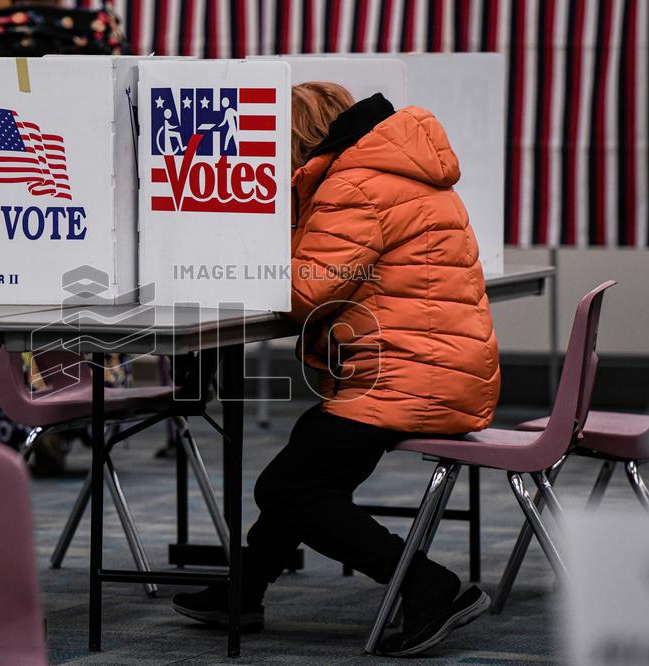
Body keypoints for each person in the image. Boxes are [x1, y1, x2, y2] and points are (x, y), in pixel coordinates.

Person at [172, 82, 500, 657]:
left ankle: (429, 587)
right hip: (440, 367)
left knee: (288, 487)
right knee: (308, 462)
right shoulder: (397, 169)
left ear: (298, 136)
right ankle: (243, 591)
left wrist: (238, 259)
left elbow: (307, 291)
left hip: (411, 374)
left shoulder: (353, 185)